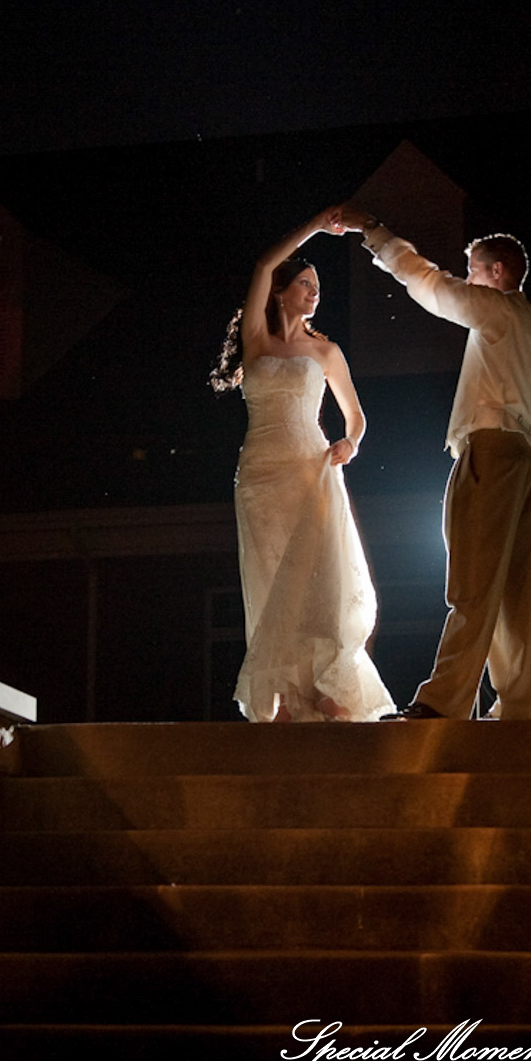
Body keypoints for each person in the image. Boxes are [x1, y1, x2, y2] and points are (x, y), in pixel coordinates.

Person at [335, 207, 531, 720]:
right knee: (516, 591)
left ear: (497, 273)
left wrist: (375, 233)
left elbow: (431, 284)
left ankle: (444, 702)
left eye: (476, 271)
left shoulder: (497, 312)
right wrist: (524, 464)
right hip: (525, 461)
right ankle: (520, 706)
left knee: (474, 580)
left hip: (493, 451)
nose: (470, 280)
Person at [211, 210, 395, 723]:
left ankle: (321, 689)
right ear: (280, 291)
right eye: (305, 284)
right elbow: (264, 261)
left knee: (317, 581)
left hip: (310, 471)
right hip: (259, 477)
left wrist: (349, 445)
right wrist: (317, 225)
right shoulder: (257, 340)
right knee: (273, 582)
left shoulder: (326, 351)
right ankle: (288, 698)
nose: (314, 292)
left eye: (318, 286)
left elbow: (356, 418)